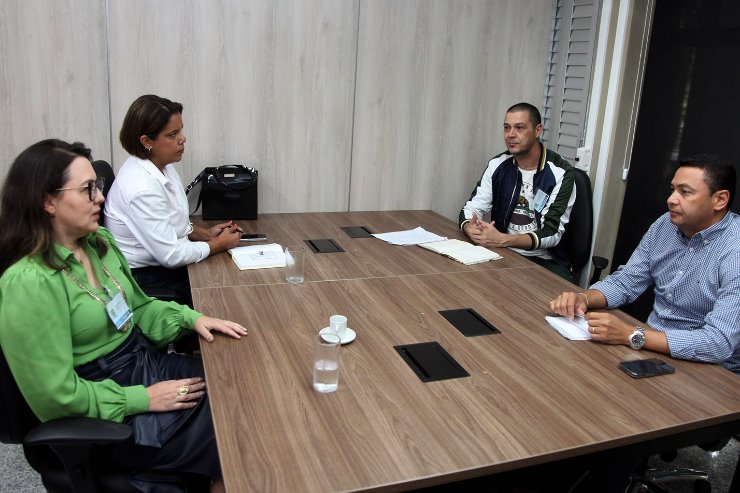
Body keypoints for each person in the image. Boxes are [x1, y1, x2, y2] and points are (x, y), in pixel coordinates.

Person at [0, 139, 248, 492]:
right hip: (102, 406)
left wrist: (189, 318)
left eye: (97, 187)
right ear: (47, 201)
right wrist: (143, 399)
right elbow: (55, 397)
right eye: (87, 189)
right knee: (234, 432)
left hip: (141, 363)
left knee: (240, 391)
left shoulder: (98, 241)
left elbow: (140, 307)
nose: (100, 197)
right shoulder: (29, 283)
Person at [550, 155, 740, 373]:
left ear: (720, 200)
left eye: (685, 192)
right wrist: (583, 298)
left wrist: (631, 334)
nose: (671, 199)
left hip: (713, 371)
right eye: (672, 189)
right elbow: (626, 282)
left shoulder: (734, 250)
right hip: (652, 348)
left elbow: (718, 343)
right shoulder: (664, 225)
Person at [104, 95, 241, 305]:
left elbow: (170, 221)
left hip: (161, 265)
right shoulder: (140, 188)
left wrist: (204, 234)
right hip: (144, 278)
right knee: (227, 292)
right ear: (146, 141)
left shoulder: (163, 165)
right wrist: (218, 245)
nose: (182, 139)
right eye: (172, 134)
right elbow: (171, 256)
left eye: (181, 130)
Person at [459, 102, 577, 280]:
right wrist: (469, 227)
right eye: (507, 128)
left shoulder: (561, 173)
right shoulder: (498, 165)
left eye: (519, 128)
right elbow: (471, 208)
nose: (510, 135)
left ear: (538, 131)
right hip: (501, 252)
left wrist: (503, 239)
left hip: (544, 261)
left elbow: (551, 233)